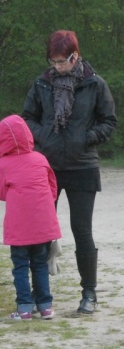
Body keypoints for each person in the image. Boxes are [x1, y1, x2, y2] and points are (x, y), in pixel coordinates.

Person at [22, 30, 117, 315]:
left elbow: (109, 122)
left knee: (81, 230)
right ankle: (40, 295)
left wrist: (85, 138)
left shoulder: (95, 84)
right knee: (39, 232)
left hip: (82, 166)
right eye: (53, 62)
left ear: (75, 56)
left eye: (62, 61)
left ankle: (89, 293)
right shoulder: (42, 84)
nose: (58, 67)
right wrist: (45, 138)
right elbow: (27, 118)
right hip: (45, 166)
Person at [1, 115, 62, 320]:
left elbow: (1, 192)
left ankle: (24, 308)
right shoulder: (40, 159)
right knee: (39, 264)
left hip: (19, 228)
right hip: (43, 225)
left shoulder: (4, 164)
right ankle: (45, 307)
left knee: (20, 266)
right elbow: (52, 188)